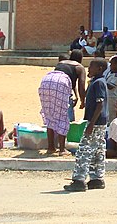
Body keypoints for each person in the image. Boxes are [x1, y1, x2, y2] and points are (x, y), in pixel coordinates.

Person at [64, 59, 109, 192]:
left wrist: (91, 124)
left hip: (94, 122)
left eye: (91, 67)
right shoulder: (97, 82)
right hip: (100, 122)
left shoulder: (99, 83)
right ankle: (96, 179)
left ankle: (79, 180)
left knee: (84, 150)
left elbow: (100, 104)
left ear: (100, 68)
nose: (89, 69)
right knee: (97, 151)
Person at [38, 69, 73, 156]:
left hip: (45, 83)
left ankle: (51, 148)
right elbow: (70, 92)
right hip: (59, 86)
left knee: (49, 117)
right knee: (62, 117)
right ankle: (62, 149)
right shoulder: (74, 71)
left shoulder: (50, 74)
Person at [55, 50, 87, 122]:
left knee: (54, 113)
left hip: (48, 84)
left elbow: (70, 82)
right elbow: (81, 86)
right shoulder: (79, 67)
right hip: (63, 90)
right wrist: (83, 101)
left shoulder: (61, 63)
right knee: (68, 119)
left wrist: (76, 96)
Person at [105, 56, 117, 122]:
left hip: (112, 97)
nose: (110, 65)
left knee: (112, 114)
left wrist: (102, 81)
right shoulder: (110, 72)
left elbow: (110, 86)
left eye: (112, 64)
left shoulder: (116, 75)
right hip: (108, 96)